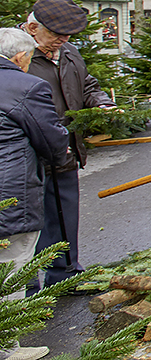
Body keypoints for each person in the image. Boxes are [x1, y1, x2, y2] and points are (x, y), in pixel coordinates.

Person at [22, 0, 116, 291]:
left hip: (65, 151)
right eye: (54, 35)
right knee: (29, 224)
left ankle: (65, 275)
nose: (61, 41)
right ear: (32, 27)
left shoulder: (69, 52)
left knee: (65, 215)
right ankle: (26, 289)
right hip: (29, 156)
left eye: (66, 37)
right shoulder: (13, 55)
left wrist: (102, 103)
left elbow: (87, 84)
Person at [0, 28, 69, 360]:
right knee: (11, 264)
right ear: (20, 57)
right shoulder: (26, 86)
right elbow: (51, 138)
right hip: (11, 189)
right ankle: (6, 347)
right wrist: (61, 157)